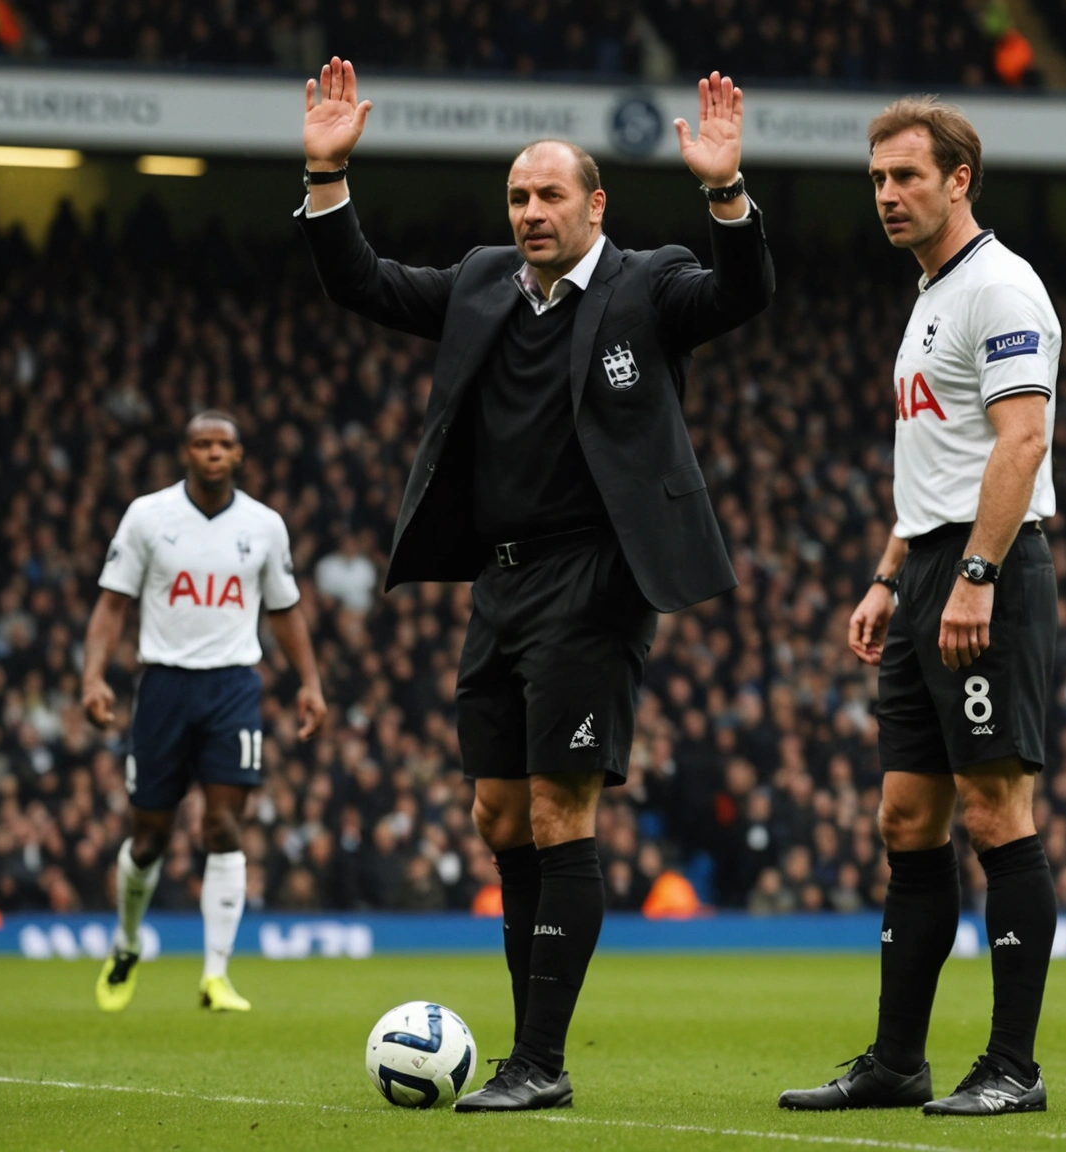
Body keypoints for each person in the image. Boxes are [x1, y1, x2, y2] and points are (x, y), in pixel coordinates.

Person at [296, 58, 773, 1111]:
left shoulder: (646, 282)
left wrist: (726, 193)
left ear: (594, 204)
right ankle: (527, 1048)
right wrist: (327, 178)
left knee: (560, 809)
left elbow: (742, 293)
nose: (531, 212)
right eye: (518, 196)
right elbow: (364, 283)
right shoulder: (479, 282)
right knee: (498, 815)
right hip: (498, 586)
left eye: (550, 194)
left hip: (595, 577)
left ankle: (540, 1062)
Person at [778, 96, 1060, 1118]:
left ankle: (1014, 1067)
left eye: (907, 177)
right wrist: (891, 574)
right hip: (930, 571)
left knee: (994, 810)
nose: (889, 195)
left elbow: (1020, 444)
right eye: (878, 180)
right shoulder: (931, 294)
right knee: (907, 817)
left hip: (992, 573)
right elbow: (939, 466)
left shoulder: (1000, 285)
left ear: (959, 180)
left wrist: (975, 577)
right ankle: (899, 1062)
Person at [82, 411, 328, 1013]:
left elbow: (286, 609)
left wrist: (310, 682)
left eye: (224, 445)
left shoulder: (265, 526)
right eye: (202, 444)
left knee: (223, 827)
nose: (213, 453)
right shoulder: (148, 517)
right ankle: (128, 941)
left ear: (240, 455)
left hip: (233, 688)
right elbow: (113, 604)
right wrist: (92, 675)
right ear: (185, 452)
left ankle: (215, 975)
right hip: (162, 685)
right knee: (150, 840)